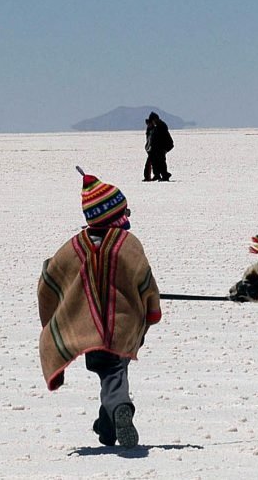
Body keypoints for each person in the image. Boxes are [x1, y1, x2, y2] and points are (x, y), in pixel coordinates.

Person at [37, 168, 162, 448]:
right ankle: (119, 410)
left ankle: (108, 425)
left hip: (87, 328)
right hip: (123, 326)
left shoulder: (73, 247)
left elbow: (48, 280)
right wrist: (152, 310)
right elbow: (146, 281)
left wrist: (54, 316)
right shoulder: (127, 244)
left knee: (110, 373)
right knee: (115, 372)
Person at [145, 112, 174, 181]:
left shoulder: (161, 126)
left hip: (163, 147)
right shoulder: (157, 126)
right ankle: (158, 175)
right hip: (158, 148)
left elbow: (162, 138)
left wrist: (162, 148)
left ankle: (165, 175)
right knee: (156, 162)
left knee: (161, 161)